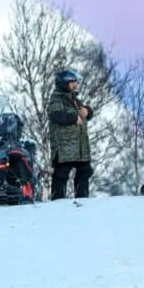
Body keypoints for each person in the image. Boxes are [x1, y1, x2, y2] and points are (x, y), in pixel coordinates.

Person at [48, 69, 94, 200]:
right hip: (64, 149)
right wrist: (73, 118)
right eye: (72, 82)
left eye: (76, 82)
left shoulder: (75, 99)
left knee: (84, 172)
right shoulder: (56, 99)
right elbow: (56, 115)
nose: (75, 85)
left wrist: (88, 111)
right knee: (61, 175)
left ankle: (83, 200)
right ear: (64, 83)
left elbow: (85, 112)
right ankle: (57, 204)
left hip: (80, 148)